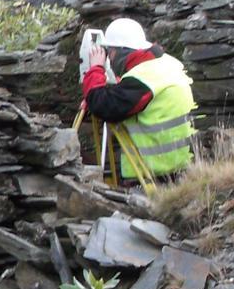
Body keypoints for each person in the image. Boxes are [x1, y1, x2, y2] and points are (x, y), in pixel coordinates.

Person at [81, 17, 197, 182]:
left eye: (110, 52)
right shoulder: (165, 63)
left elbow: (103, 106)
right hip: (181, 164)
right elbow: (130, 91)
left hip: (154, 173)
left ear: (119, 51)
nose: (109, 59)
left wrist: (96, 70)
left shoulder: (141, 78)